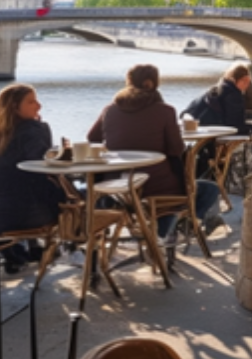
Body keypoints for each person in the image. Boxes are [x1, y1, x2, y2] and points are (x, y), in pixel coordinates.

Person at [89, 64, 220, 238]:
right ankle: (173, 228)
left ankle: (163, 229)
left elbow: (92, 137)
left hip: (117, 188)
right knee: (210, 189)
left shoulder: (110, 110)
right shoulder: (165, 111)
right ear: (152, 83)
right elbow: (176, 149)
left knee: (185, 191)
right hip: (156, 186)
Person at [0, 84, 66, 272]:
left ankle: (17, 250)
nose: (39, 106)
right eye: (31, 102)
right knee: (79, 202)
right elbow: (43, 165)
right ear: (14, 107)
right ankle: (90, 253)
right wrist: (42, 128)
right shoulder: (32, 130)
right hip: (24, 217)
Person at [181, 63, 252, 136]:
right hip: (211, 130)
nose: (247, 84)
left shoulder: (217, 88)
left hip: (195, 125)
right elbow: (235, 125)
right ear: (234, 79)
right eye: (244, 80)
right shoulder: (233, 94)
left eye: (248, 81)